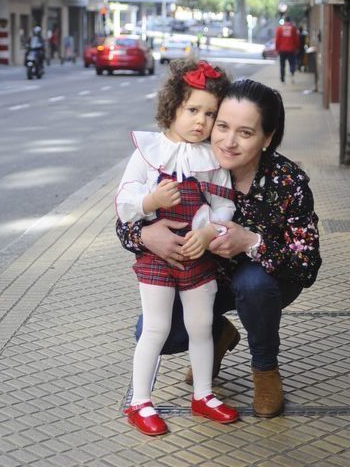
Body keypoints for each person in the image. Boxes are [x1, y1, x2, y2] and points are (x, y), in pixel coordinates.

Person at [117, 78, 322, 418]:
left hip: (263, 282)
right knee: (157, 333)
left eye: (246, 133)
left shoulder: (287, 181)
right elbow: (126, 219)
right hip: (201, 278)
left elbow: (306, 262)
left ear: (267, 138)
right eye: (222, 126)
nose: (228, 141)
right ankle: (218, 333)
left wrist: (252, 242)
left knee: (253, 284)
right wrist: (146, 236)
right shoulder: (188, 158)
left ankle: (265, 368)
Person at [116, 59, 240, 436]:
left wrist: (210, 231)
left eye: (210, 114)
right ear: (172, 107)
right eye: (193, 110)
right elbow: (124, 203)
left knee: (201, 325)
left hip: (198, 255)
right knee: (156, 327)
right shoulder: (148, 152)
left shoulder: (211, 159)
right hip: (157, 258)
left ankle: (203, 395)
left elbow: (225, 203)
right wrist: (151, 201)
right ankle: (140, 402)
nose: (201, 121)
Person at [275, 16, 301, 83]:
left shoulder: (280, 28)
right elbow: (296, 39)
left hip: (282, 50)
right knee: (292, 63)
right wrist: (297, 47)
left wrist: (277, 49)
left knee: (282, 64)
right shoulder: (293, 28)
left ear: (285, 20)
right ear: (290, 20)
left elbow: (277, 39)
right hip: (291, 49)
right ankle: (292, 72)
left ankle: (282, 78)